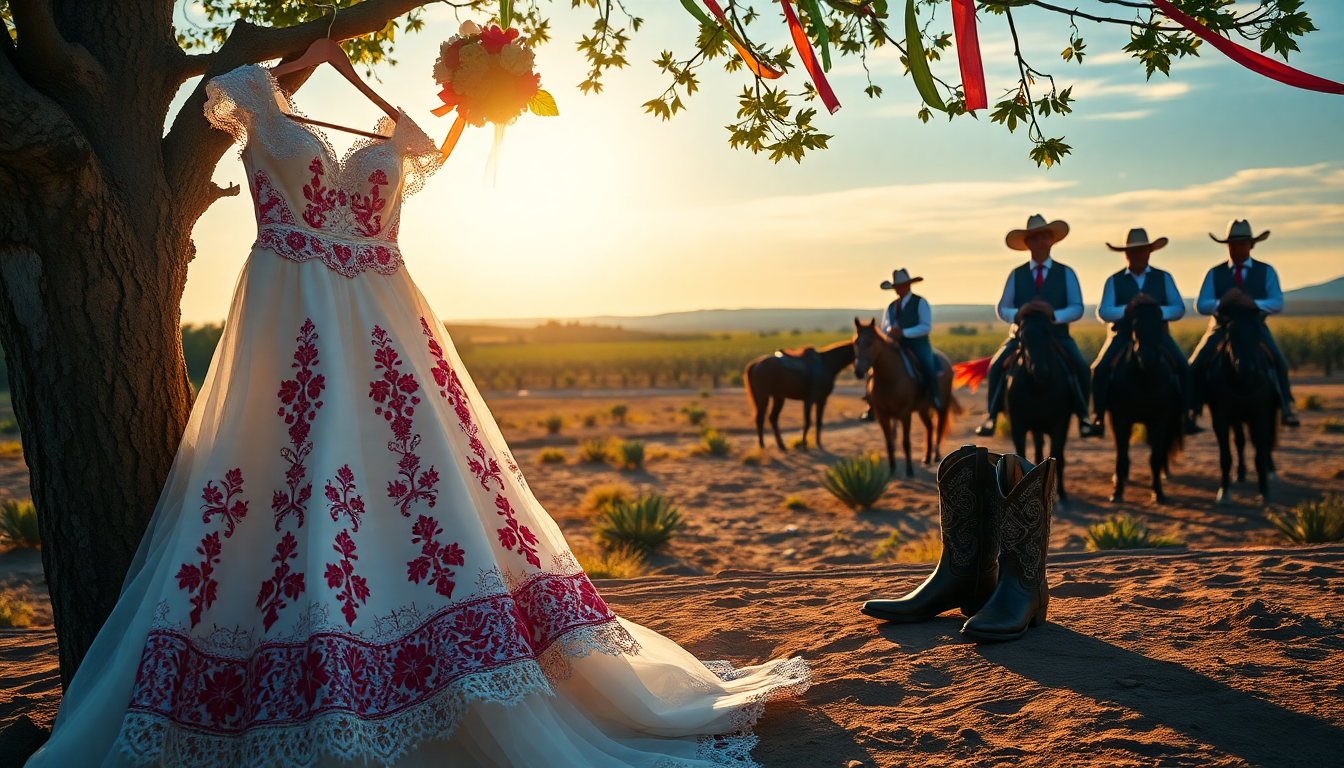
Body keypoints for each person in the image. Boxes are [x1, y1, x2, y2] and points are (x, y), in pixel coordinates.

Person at [26, 63, 808, 768]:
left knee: (424, 485)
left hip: (387, 328)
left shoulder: (401, 138)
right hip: (288, 322)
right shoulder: (251, 96)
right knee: (281, 487)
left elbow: (409, 162)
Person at [974, 214, 1100, 438]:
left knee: (1080, 366)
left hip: (1057, 336)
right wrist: (1018, 313)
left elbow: (1077, 308)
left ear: (1052, 241)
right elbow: (1003, 308)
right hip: (1022, 337)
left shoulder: (1066, 273)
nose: (1041, 242)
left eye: (1045, 237)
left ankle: (1083, 416)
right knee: (996, 366)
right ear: (1028, 243)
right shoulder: (1016, 274)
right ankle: (991, 416)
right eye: (1036, 238)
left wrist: (1054, 314)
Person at [1189, 219, 1300, 427]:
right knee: (1196, 363)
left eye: (1242, 244)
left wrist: (1253, 303)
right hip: (1221, 328)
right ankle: (1192, 409)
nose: (1237, 248)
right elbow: (1201, 305)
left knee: (1279, 361)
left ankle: (1286, 406)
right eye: (1233, 244)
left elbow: (1277, 302)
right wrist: (1223, 302)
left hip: (1254, 327)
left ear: (1251, 245)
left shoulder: (1266, 271)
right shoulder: (1214, 272)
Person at [1089, 228, 1199, 436]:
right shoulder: (1114, 280)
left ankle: (1188, 414)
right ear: (1126, 254)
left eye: (1144, 251)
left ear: (1150, 252)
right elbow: (1103, 312)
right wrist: (1127, 309)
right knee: (1100, 368)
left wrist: (1157, 310)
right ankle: (1098, 417)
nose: (1140, 255)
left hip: (1157, 334)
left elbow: (1178, 309)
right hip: (1122, 334)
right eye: (1135, 251)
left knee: (1183, 365)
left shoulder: (1164, 277)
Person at [879, 268, 943, 409]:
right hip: (895, 343)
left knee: (927, 364)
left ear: (907, 286)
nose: (897, 290)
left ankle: (935, 397)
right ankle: (873, 402)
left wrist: (904, 332)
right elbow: (885, 325)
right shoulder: (891, 306)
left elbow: (925, 327)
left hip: (918, 343)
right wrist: (890, 331)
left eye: (899, 287)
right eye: (895, 287)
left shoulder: (920, 302)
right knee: (877, 363)